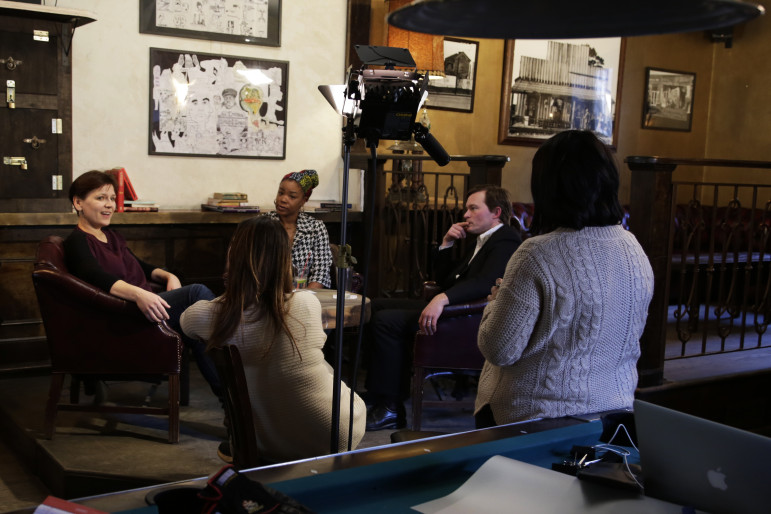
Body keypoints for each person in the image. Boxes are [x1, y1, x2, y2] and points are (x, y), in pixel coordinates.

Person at [474, 130, 654, 428]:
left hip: (532, 420)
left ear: (547, 187)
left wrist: (494, 303)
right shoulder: (633, 248)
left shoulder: (536, 252)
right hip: (614, 416)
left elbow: (499, 348)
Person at [180, 216, 365, 462]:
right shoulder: (306, 303)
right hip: (334, 431)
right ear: (284, 259)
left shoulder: (209, 315)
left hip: (258, 443)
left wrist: (233, 293)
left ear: (234, 257)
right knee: (325, 371)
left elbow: (186, 322)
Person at [365, 185, 522, 430]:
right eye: (466, 209)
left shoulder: (506, 240)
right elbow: (447, 281)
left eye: (473, 208)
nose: (466, 215)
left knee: (387, 321)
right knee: (374, 306)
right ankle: (378, 396)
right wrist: (446, 243)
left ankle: (390, 408)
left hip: (466, 320)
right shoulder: (481, 241)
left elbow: (484, 283)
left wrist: (442, 299)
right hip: (454, 310)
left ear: (496, 212)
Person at [63, 170, 221, 399]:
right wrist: (138, 294)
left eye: (110, 199)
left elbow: (142, 266)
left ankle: (231, 404)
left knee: (198, 327)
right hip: (123, 317)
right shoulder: (76, 242)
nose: (109, 205)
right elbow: (95, 276)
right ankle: (239, 392)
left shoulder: (111, 236)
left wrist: (168, 277)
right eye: (100, 198)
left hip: (144, 308)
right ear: (78, 202)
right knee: (197, 295)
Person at [266, 169, 333, 289]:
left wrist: (303, 300)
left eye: (292, 196)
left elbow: (321, 274)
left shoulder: (315, 228)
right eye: (281, 193)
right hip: (266, 297)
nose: (283, 199)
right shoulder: (263, 224)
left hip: (304, 297)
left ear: (304, 200)